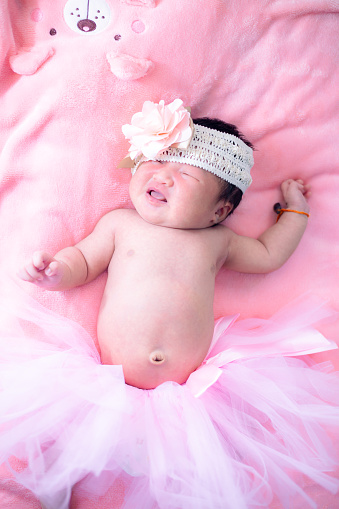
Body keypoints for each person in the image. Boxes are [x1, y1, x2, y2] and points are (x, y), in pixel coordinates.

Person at [1, 99, 338, 509]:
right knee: (55, 457)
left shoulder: (219, 241)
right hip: (103, 382)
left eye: (184, 174)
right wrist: (56, 271)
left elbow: (268, 255)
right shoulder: (120, 224)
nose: (163, 176)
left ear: (221, 210)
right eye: (157, 163)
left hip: (193, 397)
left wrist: (295, 213)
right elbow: (84, 260)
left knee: (183, 483)